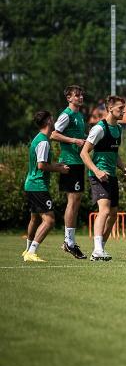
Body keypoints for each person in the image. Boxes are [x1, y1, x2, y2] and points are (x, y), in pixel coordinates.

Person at [79, 95, 126, 261]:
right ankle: (97, 250)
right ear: (109, 109)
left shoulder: (119, 129)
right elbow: (83, 153)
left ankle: (100, 248)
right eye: (120, 108)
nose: (123, 111)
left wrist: (123, 167)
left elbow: (114, 154)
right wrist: (96, 171)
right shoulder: (99, 129)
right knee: (105, 210)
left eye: (124, 108)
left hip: (112, 176)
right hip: (99, 176)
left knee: (113, 214)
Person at [22, 111, 70, 262]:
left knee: (35, 219)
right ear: (48, 121)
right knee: (49, 220)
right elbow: (41, 165)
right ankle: (31, 252)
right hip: (38, 186)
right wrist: (60, 169)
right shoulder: (43, 141)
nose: (54, 120)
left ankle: (27, 250)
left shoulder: (39, 138)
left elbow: (43, 163)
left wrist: (57, 165)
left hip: (31, 184)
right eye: (52, 118)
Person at [50, 85, 87, 259]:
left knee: (76, 200)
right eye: (77, 95)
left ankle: (70, 241)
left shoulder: (79, 115)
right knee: (72, 201)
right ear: (69, 98)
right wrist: (74, 140)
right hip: (69, 162)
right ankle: (69, 242)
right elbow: (53, 134)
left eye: (81, 95)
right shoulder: (67, 115)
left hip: (78, 162)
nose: (80, 97)